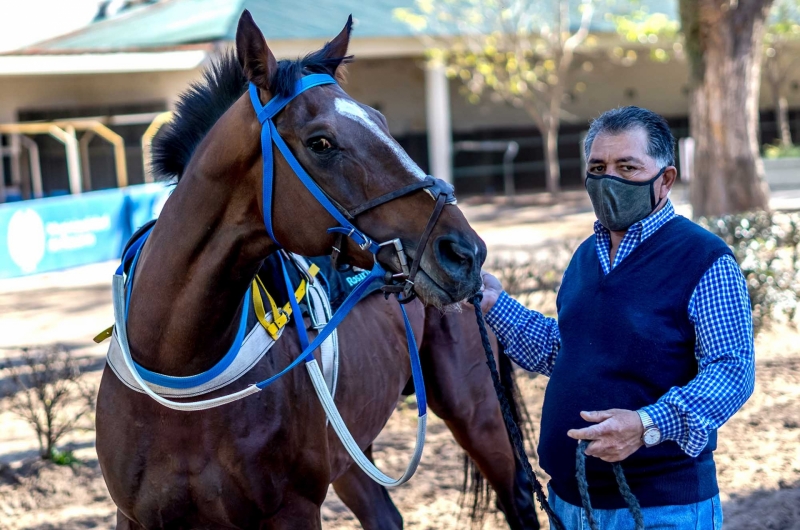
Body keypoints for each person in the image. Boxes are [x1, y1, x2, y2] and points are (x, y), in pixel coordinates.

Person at [480, 106, 755, 529]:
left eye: (628, 167)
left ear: (665, 180)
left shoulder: (704, 258)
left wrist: (645, 425)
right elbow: (565, 351)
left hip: (661, 510)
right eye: (598, 167)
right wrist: (495, 304)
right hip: (568, 505)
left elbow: (732, 372)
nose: (610, 179)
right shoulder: (585, 257)